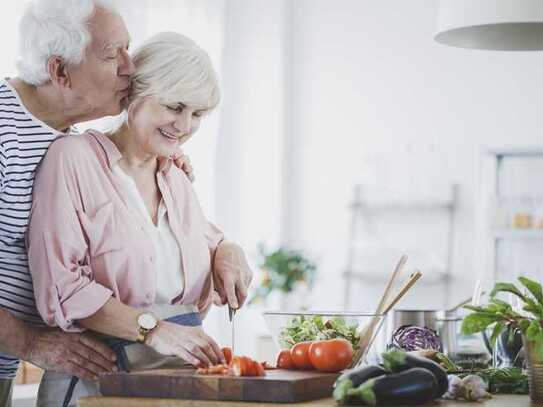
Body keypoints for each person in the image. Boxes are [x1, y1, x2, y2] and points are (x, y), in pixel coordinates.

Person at [0, 0, 251, 405]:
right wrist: (30, 342)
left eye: (197, 113)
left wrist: (226, 249)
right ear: (60, 70)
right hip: (82, 371)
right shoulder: (58, 151)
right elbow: (64, 283)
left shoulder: (73, 139)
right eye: (111, 54)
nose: (128, 67)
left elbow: (189, 239)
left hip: (158, 380)